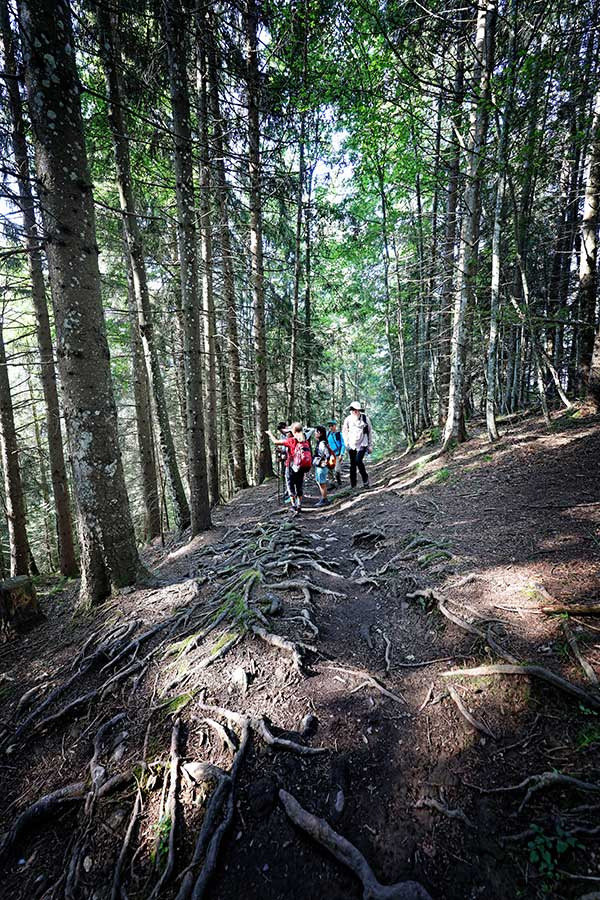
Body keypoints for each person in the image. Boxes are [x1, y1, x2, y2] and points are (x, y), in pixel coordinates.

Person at [266, 422, 310, 514]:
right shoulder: (304, 439)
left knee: (290, 485)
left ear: (293, 430)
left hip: (290, 466)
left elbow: (276, 442)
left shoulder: (291, 440)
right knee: (299, 485)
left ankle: (293, 505)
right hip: (301, 466)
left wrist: (270, 434)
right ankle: (299, 505)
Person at [342, 401, 373, 489]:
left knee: (358, 461)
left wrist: (370, 445)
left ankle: (365, 479)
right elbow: (344, 432)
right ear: (351, 410)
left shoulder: (365, 419)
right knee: (352, 464)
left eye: (357, 410)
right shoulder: (347, 419)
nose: (355, 412)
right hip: (351, 445)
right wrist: (346, 443)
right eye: (353, 410)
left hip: (363, 443)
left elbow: (370, 432)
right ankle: (353, 485)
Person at [313, 425, 331, 506]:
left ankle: (324, 499)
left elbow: (327, 454)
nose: (315, 434)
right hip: (320, 465)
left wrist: (325, 461)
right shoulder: (322, 442)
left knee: (322, 483)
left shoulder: (322, 443)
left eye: (316, 432)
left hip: (321, 465)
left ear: (320, 433)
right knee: (320, 482)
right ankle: (324, 498)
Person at [326, 419, 345, 487]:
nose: (330, 427)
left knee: (337, 470)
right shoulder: (328, 435)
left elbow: (343, 444)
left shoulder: (339, 434)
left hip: (337, 454)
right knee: (330, 469)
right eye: (329, 426)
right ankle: (332, 484)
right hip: (331, 455)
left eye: (332, 425)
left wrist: (341, 454)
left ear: (335, 426)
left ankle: (339, 482)